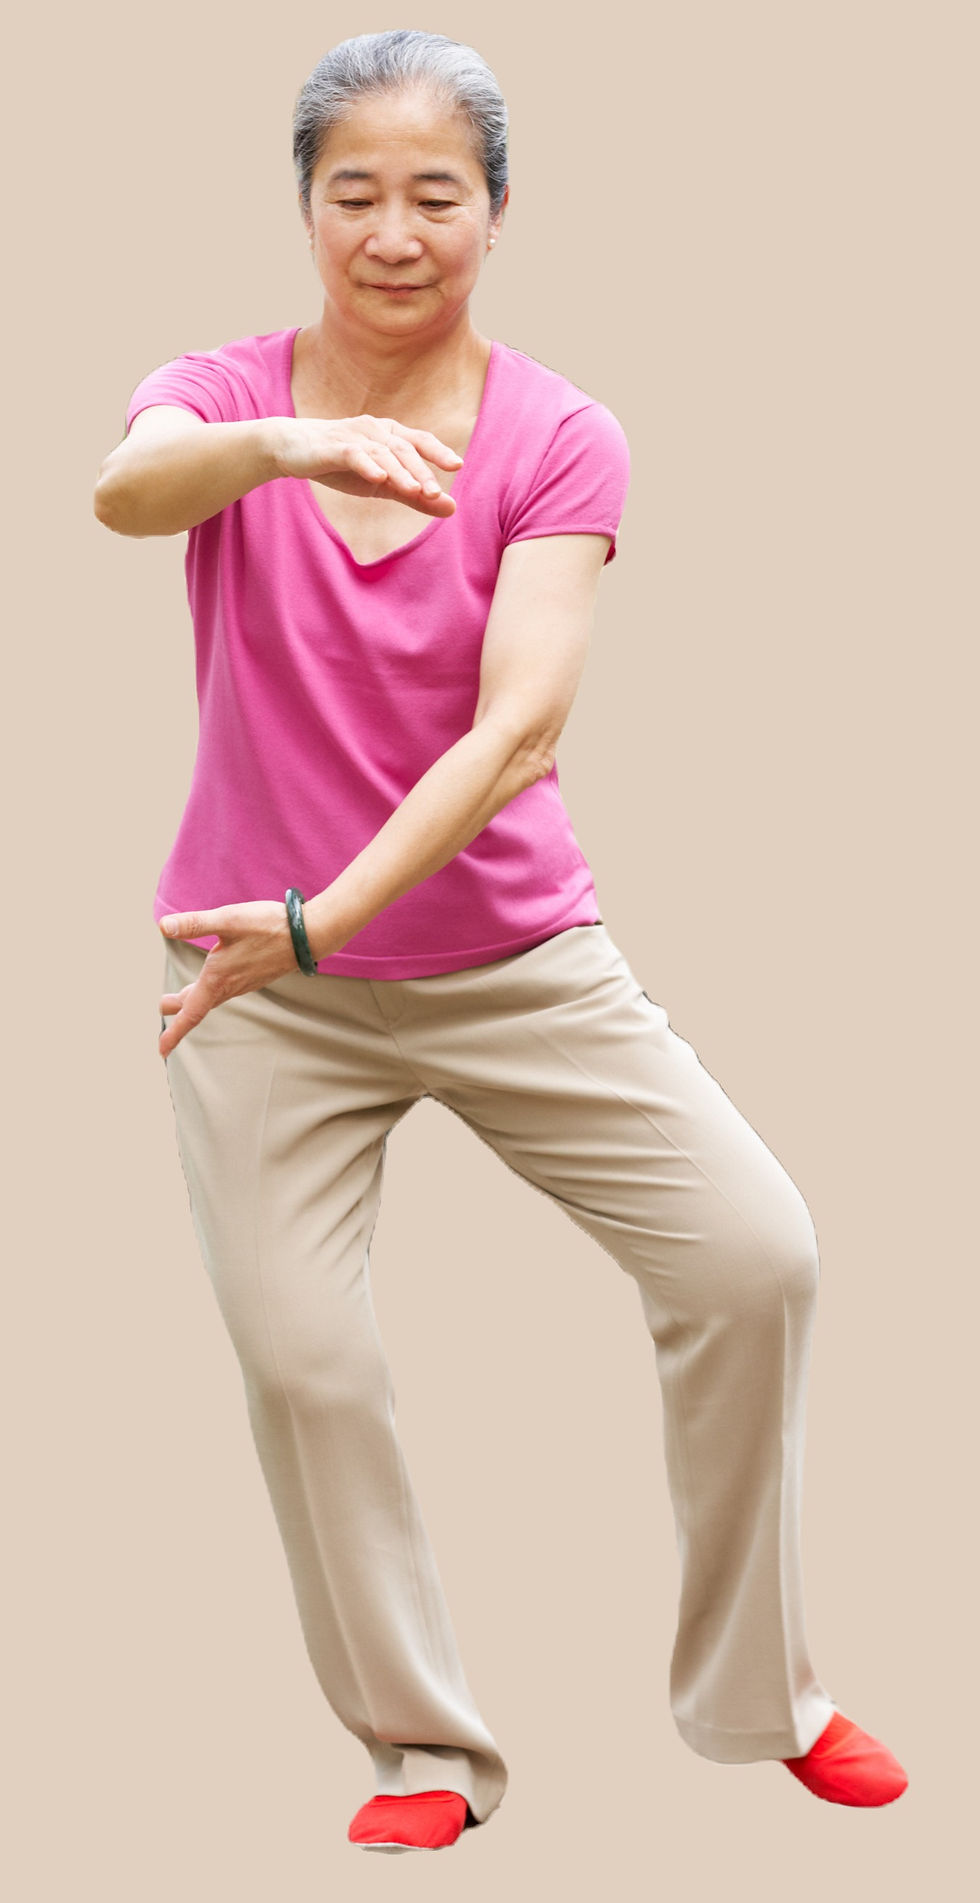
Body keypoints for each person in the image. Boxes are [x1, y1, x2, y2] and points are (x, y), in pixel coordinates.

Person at [93, 28, 907, 1854]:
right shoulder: (218, 396)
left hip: (504, 958)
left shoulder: (558, 434)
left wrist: (324, 920)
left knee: (757, 1258)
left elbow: (518, 728)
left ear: (500, 210)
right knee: (303, 1362)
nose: (394, 232)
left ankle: (763, 1698)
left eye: (436, 195)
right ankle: (424, 1753)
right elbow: (125, 492)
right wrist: (290, 445)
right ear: (304, 209)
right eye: (354, 194)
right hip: (255, 988)